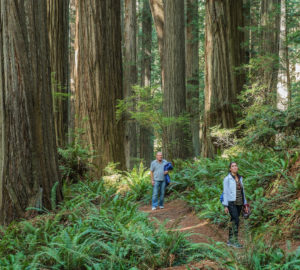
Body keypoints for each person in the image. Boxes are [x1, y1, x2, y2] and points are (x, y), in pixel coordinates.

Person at [222, 162, 249, 248]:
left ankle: (230, 241)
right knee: (236, 220)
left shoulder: (240, 178)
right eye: (232, 166)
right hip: (231, 203)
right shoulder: (227, 179)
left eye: (236, 166)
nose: (234, 167)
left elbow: (243, 192)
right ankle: (235, 241)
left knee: (233, 220)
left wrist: (245, 204)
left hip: (240, 203)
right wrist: (225, 205)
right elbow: (225, 192)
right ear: (230, 169)